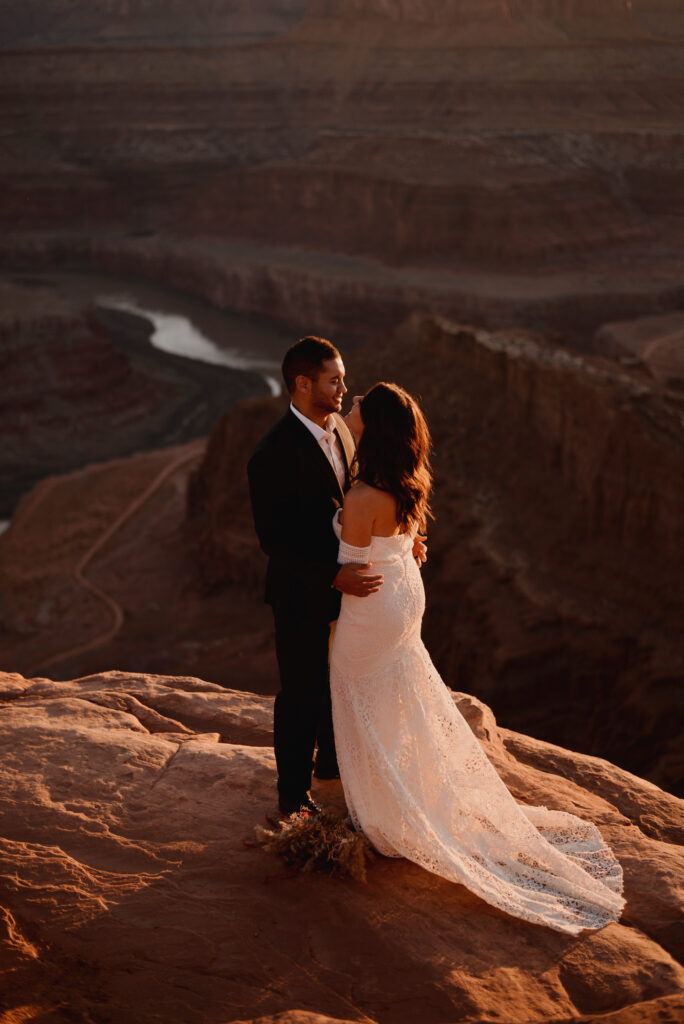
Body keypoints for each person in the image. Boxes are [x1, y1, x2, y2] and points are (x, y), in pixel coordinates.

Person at [329, 382, 625, 935]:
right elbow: (399, 543)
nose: (352, 407)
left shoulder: (362, 495)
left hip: (371, 601)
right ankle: (406, 793)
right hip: (405, 594)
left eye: (360, 405)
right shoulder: (404, 482)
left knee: (355, 686)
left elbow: (348, 568)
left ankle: (384, 815)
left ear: (374, 425)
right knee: (397, 694)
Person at [247, 337, 426, 817]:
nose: (346, 386)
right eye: (335, 379)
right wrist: (331, 575)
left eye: (343, 377)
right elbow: (274, 542)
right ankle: (292, 794)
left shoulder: (347, 433)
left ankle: (332, 762)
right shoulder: (271, 454)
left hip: (356, 593)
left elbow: (371, 500)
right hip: (303, 592)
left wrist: (401, 543)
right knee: (302, 690)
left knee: (341, 679)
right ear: (303, 384)